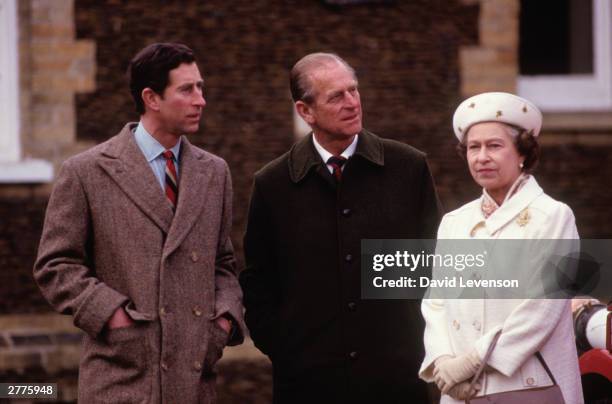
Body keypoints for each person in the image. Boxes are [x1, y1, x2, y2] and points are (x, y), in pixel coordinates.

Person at [33, 43, 245, 404]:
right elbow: (55, 266)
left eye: (201, 87)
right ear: (152, 98)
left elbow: (222, 263)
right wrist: (112, 315)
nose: (201, 100)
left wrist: (223, 320)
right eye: (187, 89)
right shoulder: (86, 171)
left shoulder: (215, 172)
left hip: (194, 380)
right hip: (122, 377)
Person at [240, 52, 442, 404]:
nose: (352, 103)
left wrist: (417, 342)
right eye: (336, 96)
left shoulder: (409, 168)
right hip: (307, 384)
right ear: (306, 112)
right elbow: (259, 282)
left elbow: (435, 265)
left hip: (396, 380)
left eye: (354, 90)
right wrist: (286, 349)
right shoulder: (272, 184)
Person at [419, 92, 584, 403]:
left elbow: (542, 308)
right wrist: (444, 365)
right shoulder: (455, 221)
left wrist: (471, 362)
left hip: (528, 386)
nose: (481, 157)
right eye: (473, 147)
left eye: (494, 146)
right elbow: (436, 302)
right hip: (459, 391)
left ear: (521, 153)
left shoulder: (553, 216)